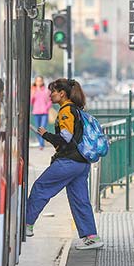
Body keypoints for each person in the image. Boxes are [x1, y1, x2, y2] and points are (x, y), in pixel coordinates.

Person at [25, 78, 104, 250]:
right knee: (80, 199)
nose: (50, 95)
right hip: (82, 163)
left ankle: (27, 224)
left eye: (53, 91)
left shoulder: (66, 111)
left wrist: (46, 135)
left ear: (62, 93)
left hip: (68, 161)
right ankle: (91, 236)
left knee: (41, 187)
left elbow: (66, 139)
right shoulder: (76, 110)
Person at [30, 76, 52, 150]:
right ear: (35, 82)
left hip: (44, 112)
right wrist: (34, 92)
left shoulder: (46, 90)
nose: (39, 82)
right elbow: (31, 101)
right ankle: (40, 143)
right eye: (37, 81)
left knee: (42, 128)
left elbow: (50, 100)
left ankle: (41, 144)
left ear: (42, 81)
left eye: (40, 81)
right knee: (38, 129)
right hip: (36, 112)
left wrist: (46, 108)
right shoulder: (33, 90)